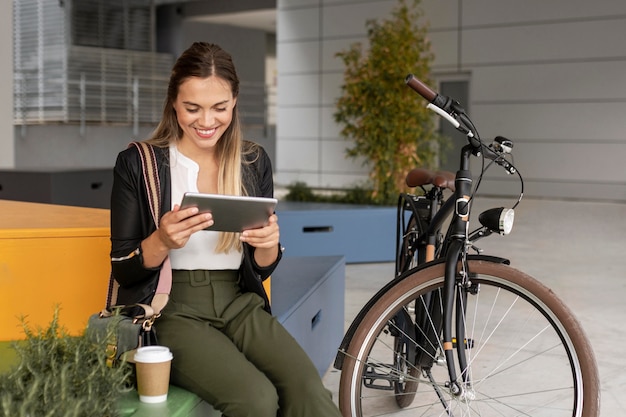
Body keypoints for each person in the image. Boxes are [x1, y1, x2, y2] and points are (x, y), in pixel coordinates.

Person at [109, 42, 342, 417]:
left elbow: (260, 267)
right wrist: (162, 240)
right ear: (173, 102)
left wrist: (269, 245)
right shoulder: (139, 164)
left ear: (234, 101)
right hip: (172, 309)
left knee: (308, 391)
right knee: (256, 400)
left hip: (239, 301)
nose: (206, 121)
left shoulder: (252, 161)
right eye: (192, 108)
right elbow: (123, 266)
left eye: (219, 108)